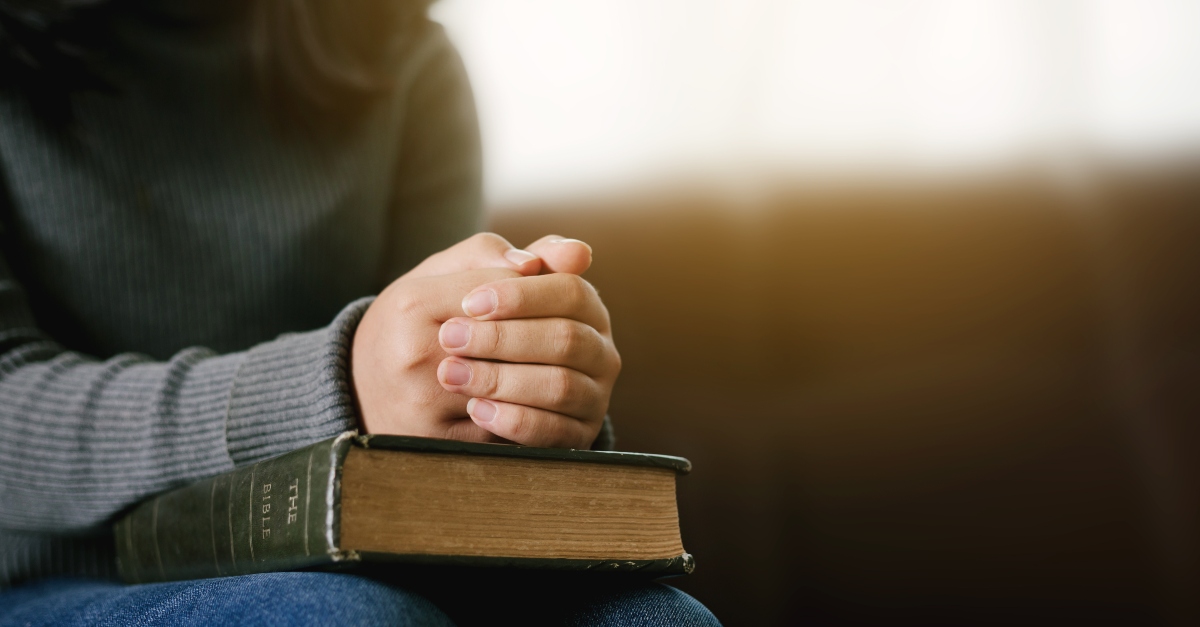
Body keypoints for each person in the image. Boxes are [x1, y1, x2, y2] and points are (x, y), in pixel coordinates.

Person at [0, 1, 719, 624]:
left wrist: (513, 393)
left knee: (657, 619)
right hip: (52, 571)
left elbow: (437, 409)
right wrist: (340, 382)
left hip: (361, 554)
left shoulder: (399, 54)